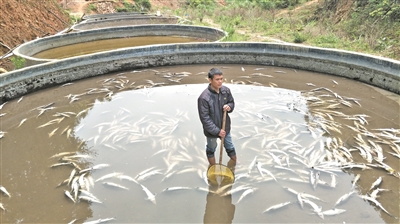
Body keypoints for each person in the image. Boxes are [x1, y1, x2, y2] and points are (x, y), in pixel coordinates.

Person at [198, 68, 236, 166]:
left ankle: (235, 163)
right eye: (217, 79)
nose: (220, 82)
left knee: (230, 147)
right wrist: (217, 131)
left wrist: (229, 107)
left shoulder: (226, 91)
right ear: (210, 80)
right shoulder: (204, 98)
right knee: (211, 149)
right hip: (212, 132)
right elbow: (205, 119)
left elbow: (231, 102)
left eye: (221, 79)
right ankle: (213, 166)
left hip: (225, 127)